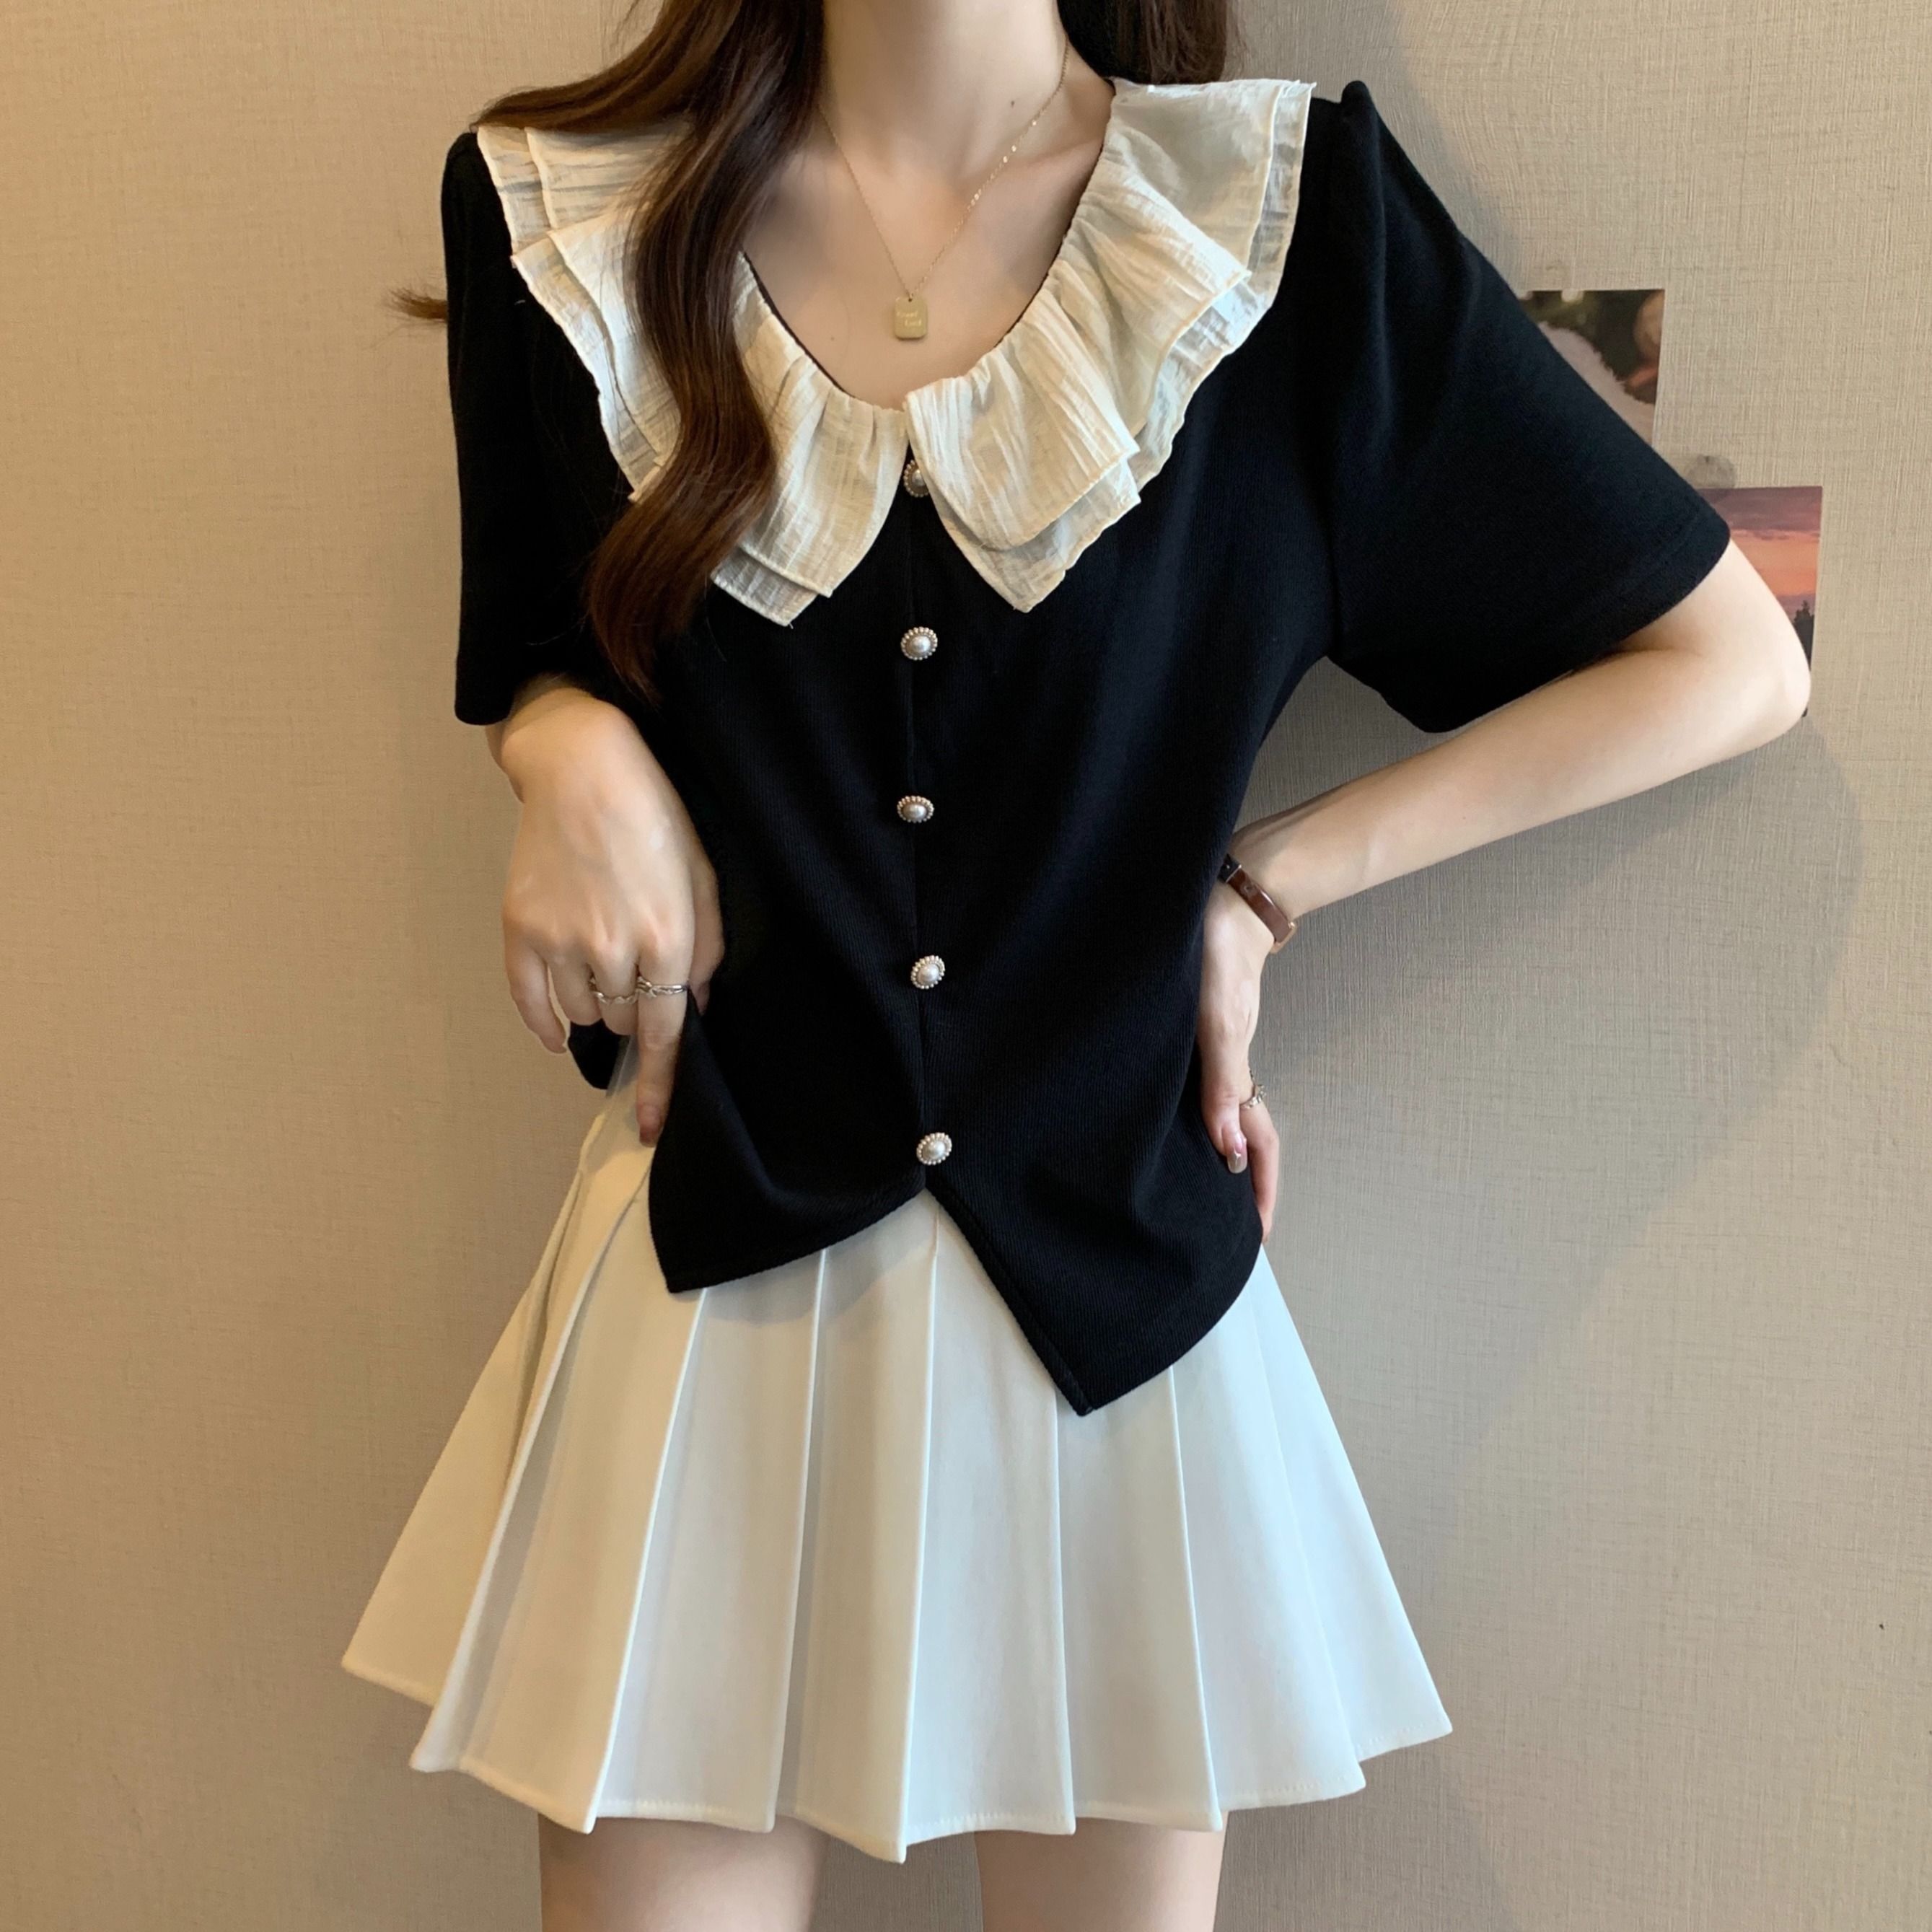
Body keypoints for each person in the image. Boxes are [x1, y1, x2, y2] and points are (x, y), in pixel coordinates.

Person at [341, 3, 1811, 1928]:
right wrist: (561, 749)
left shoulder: (1280, 225)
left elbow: (1727, 664)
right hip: (708, 1300)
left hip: (1118, 1322)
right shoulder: (567, 222)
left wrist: (1265, 887)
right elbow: (535, 635)